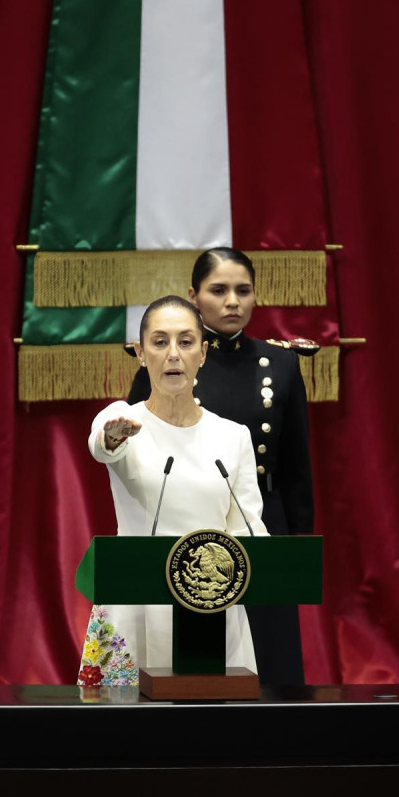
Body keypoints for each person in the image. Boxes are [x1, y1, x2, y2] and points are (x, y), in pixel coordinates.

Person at [127, 248, 314, 686]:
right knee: (193, 656)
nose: (232, 301)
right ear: (195, 296)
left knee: (270, 655)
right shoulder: (172, 362)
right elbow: (141, 448)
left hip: (262, 519)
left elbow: (294, 462)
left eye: (243, 291)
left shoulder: (280, 364)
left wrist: (296, 535)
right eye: (219, 290)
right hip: (188, 525)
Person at [79, 296, 268, 687]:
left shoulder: (232, 436)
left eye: (185, 342)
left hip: (213, 608)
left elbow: (250, 531)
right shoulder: (123, 419)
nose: (173, 355)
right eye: (160, 342)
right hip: (135, 606)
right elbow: (102, 445)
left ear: (203, 352)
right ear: (139, 352)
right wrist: (112, 438)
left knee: (213, 739)